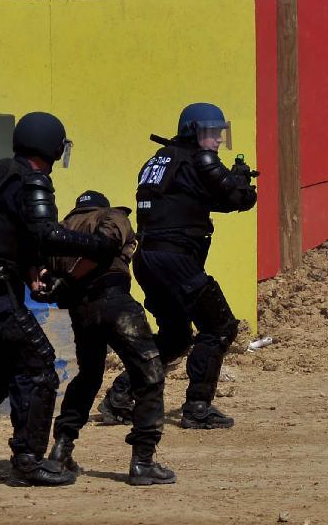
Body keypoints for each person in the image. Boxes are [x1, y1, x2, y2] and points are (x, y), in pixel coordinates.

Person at [0, 112, 120, 486]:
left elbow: (4, 234)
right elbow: (45, 233)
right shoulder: (33, 181)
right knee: (40, 363)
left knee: (5, 365)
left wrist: (29, 270)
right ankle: (28, 462)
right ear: (51, 145)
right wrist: (100, 246)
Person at [98, 103, 257, 431]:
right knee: (220, 327)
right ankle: (198, 407)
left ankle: (120, 395)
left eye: (218, 133)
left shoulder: (159, 161)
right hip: (175, 259)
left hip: (149, 259)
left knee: (175, 337)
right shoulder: (196, 161)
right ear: (193, 131)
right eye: (210, 133)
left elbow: (202, 199)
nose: (215, 141)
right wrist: (239, 179)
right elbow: (238, 199)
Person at [44, 190, 175, 486]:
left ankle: (61, 449)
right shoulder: (112, 215)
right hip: (115, 303)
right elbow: (105, 247)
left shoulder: (61, 229)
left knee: (88, 377)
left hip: (82, 312)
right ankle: (143, 461)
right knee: (149, 374)